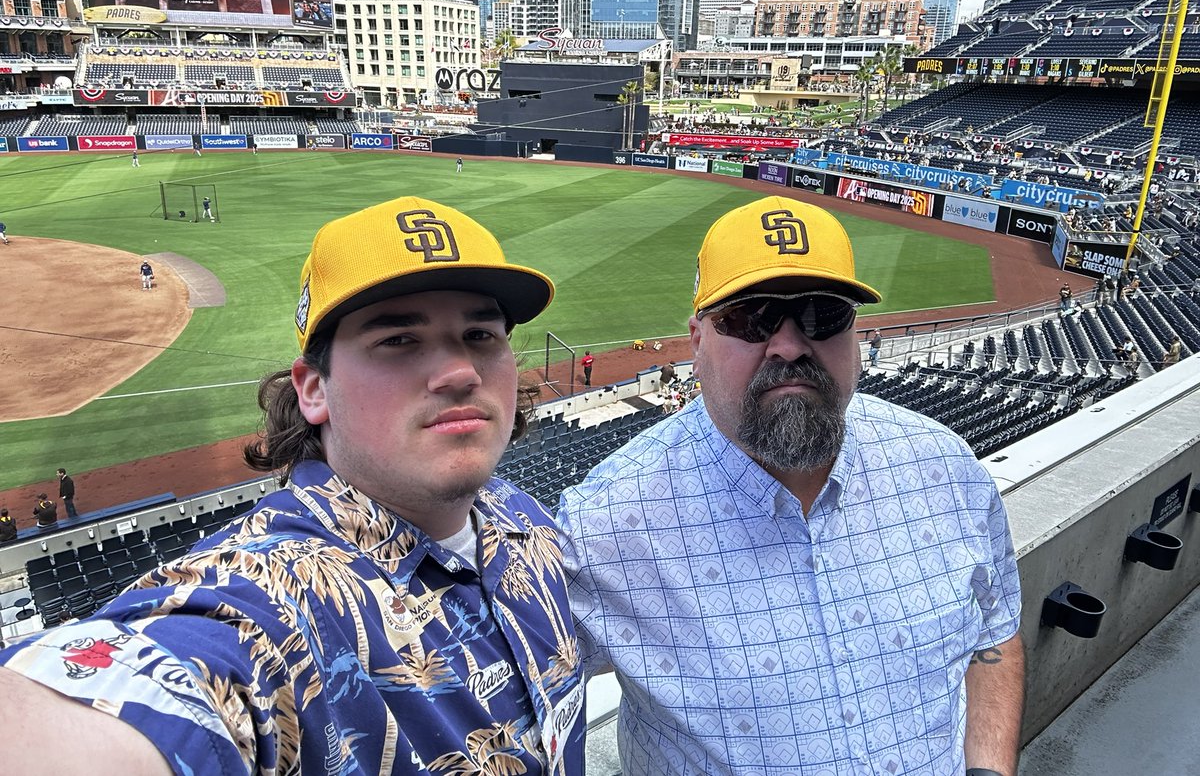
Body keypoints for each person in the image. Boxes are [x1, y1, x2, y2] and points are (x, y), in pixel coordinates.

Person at [0, 196, 586, 775]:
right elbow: (153, 686)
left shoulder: (521, 516)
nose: (460, 371)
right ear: (313, 390)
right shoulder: (275, 591)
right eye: (398, 341)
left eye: (481, 335)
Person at [559, 195, 1025, 776]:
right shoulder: (605, 524)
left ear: (857, 335)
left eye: (820, 314)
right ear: (697, 342)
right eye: (750, 316)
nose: (788, 344)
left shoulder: (946, 467)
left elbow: (996, 633)